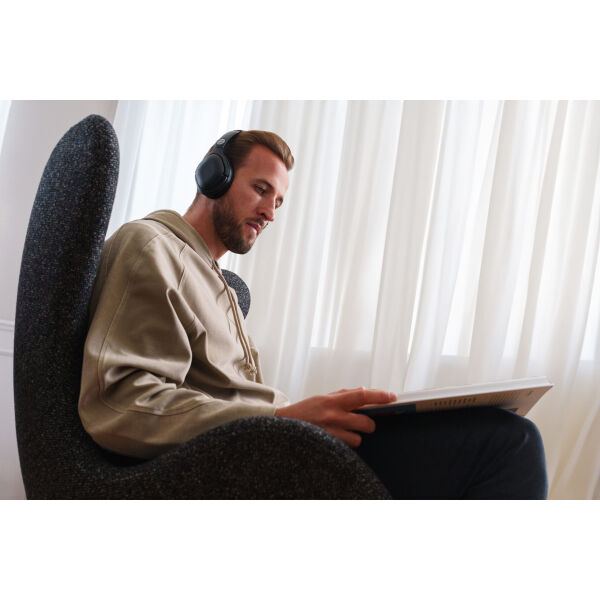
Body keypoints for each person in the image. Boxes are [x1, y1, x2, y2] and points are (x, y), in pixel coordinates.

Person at [78, 129, 548, 499]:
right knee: (510, 442)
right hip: (251, 457)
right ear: (213, 177)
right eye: (260, 189)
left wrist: (298, 415)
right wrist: (281, 417)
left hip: (276, 444)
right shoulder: (152, 246)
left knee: (499, 431)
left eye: (279, 201)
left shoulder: (219, 284)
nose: (270, 212)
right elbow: (120, 403)